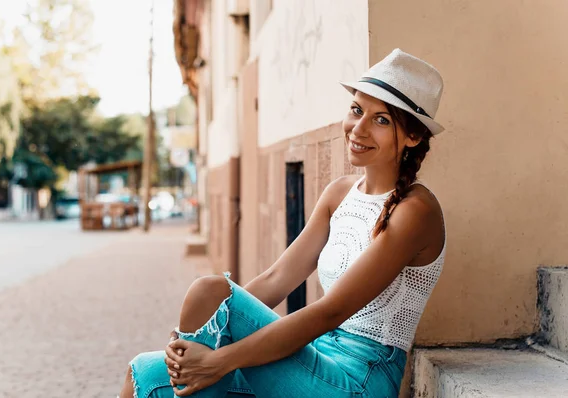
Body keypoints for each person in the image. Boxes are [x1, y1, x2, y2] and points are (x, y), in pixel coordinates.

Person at [119, 48, 447, 398]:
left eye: (381, 120)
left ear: (412, 136)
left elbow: (330, 311)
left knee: (208, 294)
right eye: (356, 109)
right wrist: (199, 337)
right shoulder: (339, 194)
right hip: (315, 355)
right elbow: (277, 279)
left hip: (359, 377)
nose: (359, 128)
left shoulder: (415, 211)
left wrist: (221, 359)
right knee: (143, 372)